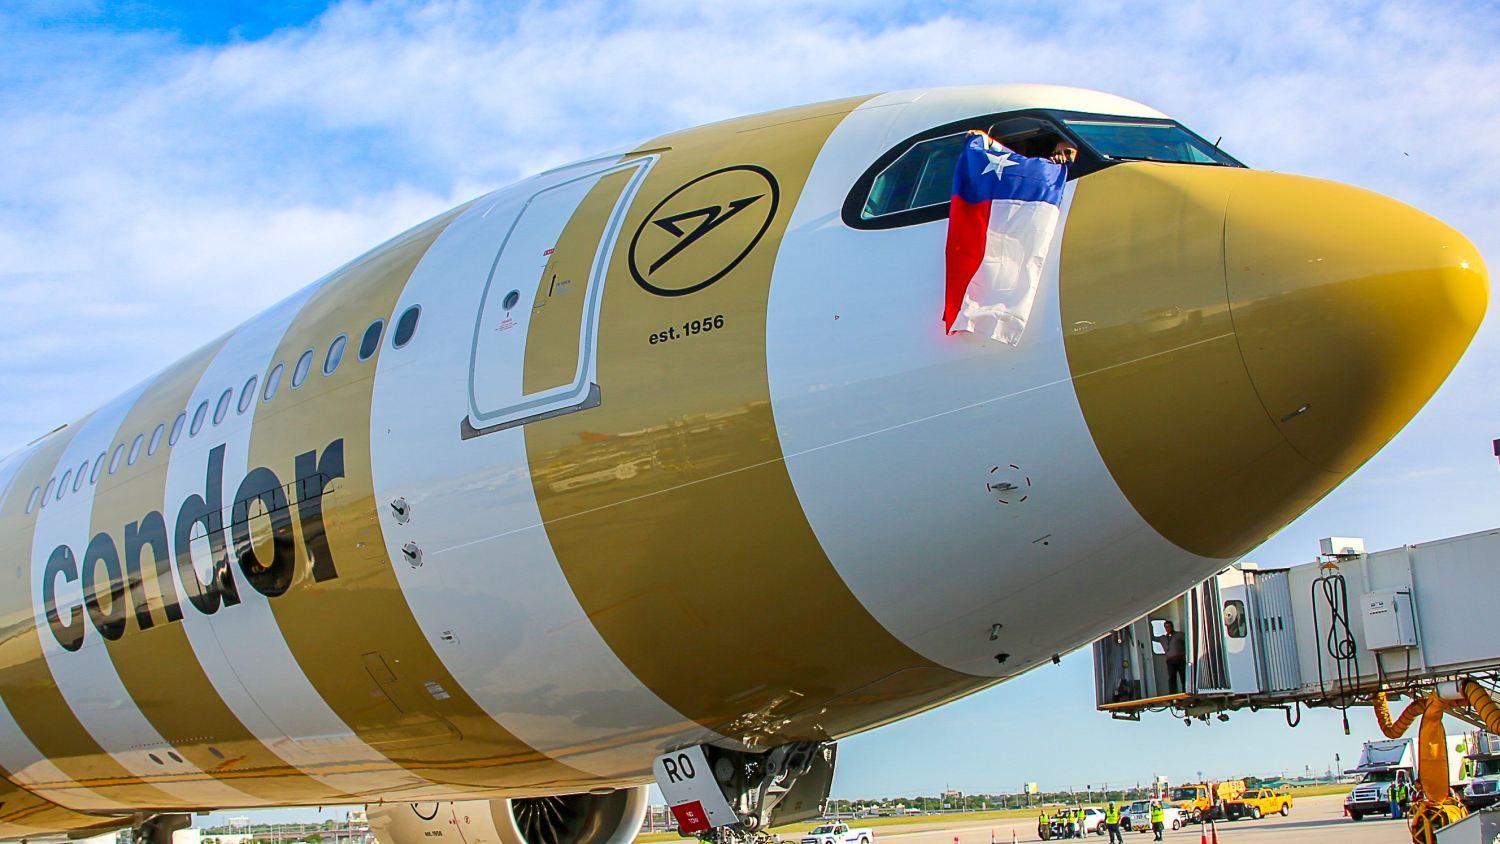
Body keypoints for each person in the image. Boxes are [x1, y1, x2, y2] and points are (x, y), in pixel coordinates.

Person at [1153, 621, 1186, 693]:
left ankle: (1186, 692)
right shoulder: (1163, 638)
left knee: (1183, 677)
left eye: (1169, 626)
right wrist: (1151, 626)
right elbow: (1153, 638)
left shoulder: (1179, 635)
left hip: (1180, 659)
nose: (1168, 628)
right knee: (1172, 678)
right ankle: (1173, 694)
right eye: (1166, 627)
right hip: (1170, 661)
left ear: (1172, 626)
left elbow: (1188, 640)